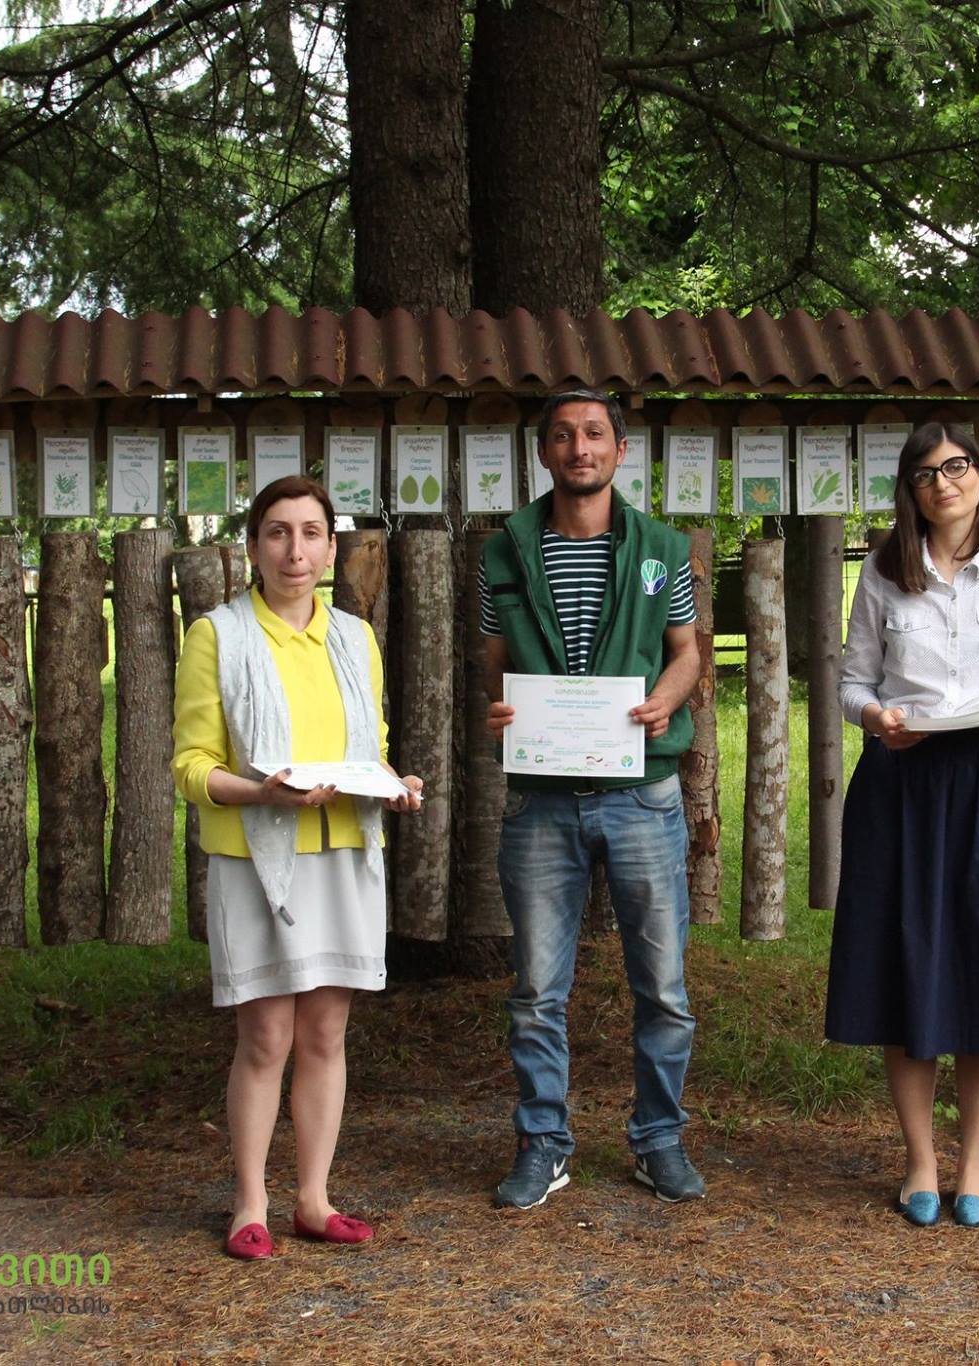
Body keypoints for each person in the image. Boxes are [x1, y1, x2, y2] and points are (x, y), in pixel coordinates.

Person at [173, 474, 425, 1261]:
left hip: (343, 854)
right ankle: (250, 1203)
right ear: (252, 547)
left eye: (311, 532)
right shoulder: (218, 635)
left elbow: (370, 747)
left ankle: (314, 1199)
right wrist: (261, 794)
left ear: (331, 548)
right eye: (278, 532)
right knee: (265, 1037)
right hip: (257, 860)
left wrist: (394, 784)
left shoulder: (354, 637)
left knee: (325, 1032)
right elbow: (191, 765)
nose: (295, 550)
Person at [824, 420, 979, 1229]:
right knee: (907, 965)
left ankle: (975, 1165)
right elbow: (852, 682)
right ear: (911, 490)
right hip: (902, 784)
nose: (943, 484)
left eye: (956, 467)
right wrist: (877, 718)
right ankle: (920, 1162)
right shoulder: (883, 572)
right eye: (925, 474)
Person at [478, 388, 705, 1208]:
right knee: (537, 992)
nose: (581, 448)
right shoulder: (504, 550)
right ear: (544, 452)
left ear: (619, 450)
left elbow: (687, 652)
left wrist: (667, 700)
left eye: (596, 434)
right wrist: (501, 707)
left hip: (641, 794)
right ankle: (543, 1145)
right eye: (565, 435)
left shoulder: (660, 548)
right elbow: (494, 659)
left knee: (664, 988)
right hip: (540, 799)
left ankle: (659, 1139)